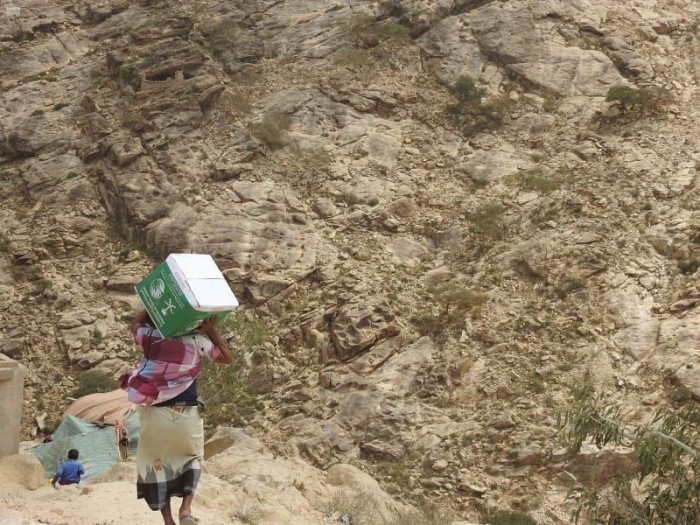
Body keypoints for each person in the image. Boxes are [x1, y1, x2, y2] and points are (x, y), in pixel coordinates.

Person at [120, 309, 234, 525]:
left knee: (156, 463)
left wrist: (152, 305)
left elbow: (134, 325)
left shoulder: (148, 337)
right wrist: (210, 330)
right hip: (186, 413)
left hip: (154, 415)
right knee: (193, 458)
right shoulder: (196, 341)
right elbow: (227, 358)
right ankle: (185, 509)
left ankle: (168, 521)